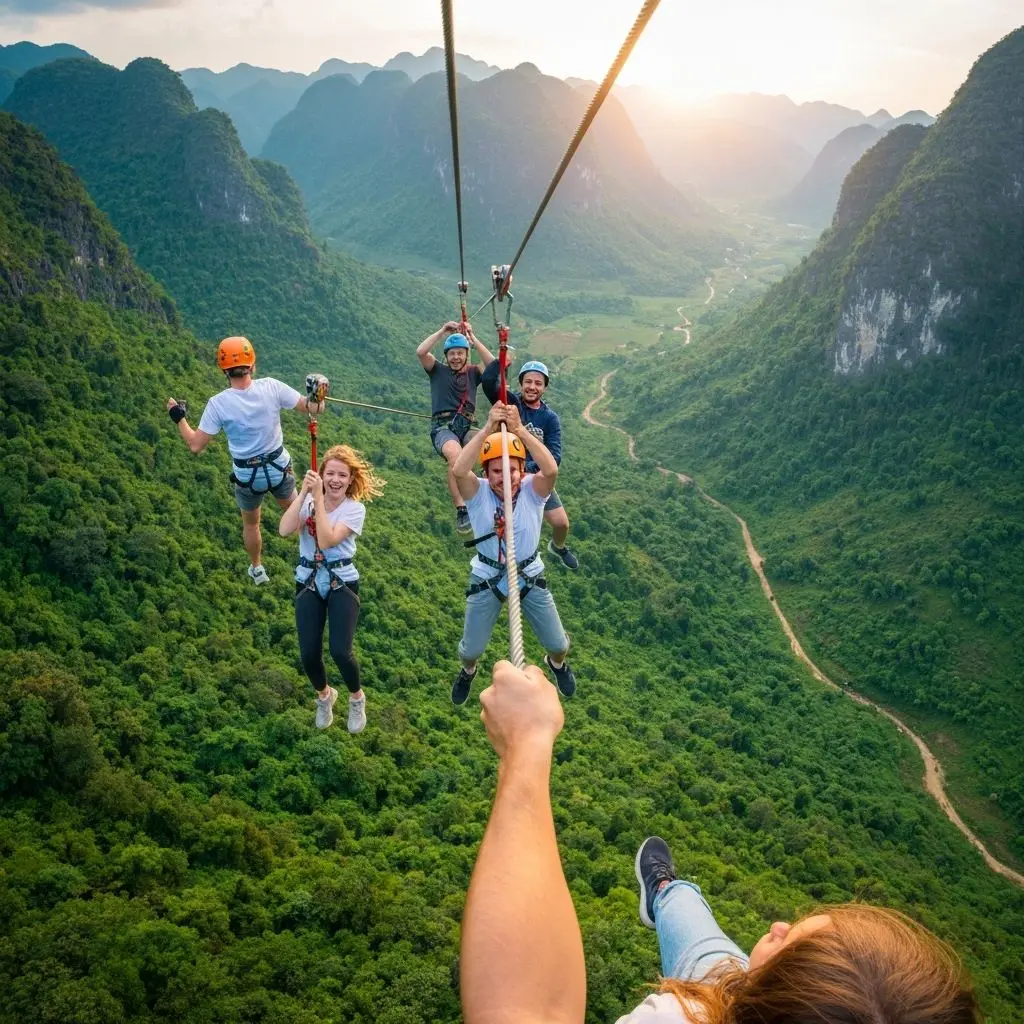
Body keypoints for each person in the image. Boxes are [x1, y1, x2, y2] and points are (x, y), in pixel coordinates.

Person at [459, 661, 982, 1024]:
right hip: (738, 985)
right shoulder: (767, 1001)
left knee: (708, 954)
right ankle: (663, 891)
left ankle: (666, 895)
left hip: (722, 988)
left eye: (787, 946)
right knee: (692, 916)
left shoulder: (680, 1016)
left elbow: (527, 1012)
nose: (778, 925)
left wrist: (527, 744)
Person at [166, 336, 324, 585]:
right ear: (252, 366)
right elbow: (313, 409)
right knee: (300, 515)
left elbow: (195, 445)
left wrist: (178, 418)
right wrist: (318, 392)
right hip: (278, 468)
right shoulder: (271, 386)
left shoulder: (218, 404)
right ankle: (315, 556)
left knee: (251, 525)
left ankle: (257, 567)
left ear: (224, 370)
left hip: (247, 477)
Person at [449, 402, 576, 705]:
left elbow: (551, 468)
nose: (504, 477)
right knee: (469, 651)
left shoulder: (534, 489)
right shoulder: (477, 493)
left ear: (522, 469)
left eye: (512, 469)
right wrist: (487, 429)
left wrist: (519, 431)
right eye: (496, 470)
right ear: (486, 472)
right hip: (489, 573)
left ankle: (556, 664)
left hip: (528, 572)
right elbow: (458, 469)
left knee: (558, 644)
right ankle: (468, 671)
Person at [278, 444, 384, 732]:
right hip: (309, 577)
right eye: (330, 474)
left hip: (341, 580)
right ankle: (325, 695)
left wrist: (318, 501)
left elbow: (326, 540)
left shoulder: (354, 510)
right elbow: (284, 529)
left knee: (340, 650)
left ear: (351, 479)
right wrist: (303, 494)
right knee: (309, 654)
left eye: (342, 475)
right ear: (321, 475)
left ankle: (356, 697)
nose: (335, 480)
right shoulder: (309, 501)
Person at [482, 356, 578, 570]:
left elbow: (555, 457)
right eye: (528, 382)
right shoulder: (511, 405)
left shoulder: (549, 418)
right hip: (506, 474)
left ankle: (558, 547)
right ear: (521, 383)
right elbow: (489, 381)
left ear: (544, 388)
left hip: (534, 477)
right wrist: (502, 360)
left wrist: (531, 469)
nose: (532, 387)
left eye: (538, 383)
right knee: (509, 524)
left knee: (562, 523)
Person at [417, 320, 495, 533]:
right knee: (456, 457)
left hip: (468, 425)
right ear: (446, 356)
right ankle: (462, 509)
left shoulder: (472, 373)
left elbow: (494, 364)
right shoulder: (437, 370)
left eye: (460, 353)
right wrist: (442, 331)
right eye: (451, 353)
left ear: (466, 354)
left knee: (491, 449)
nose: (456, 357)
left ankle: (490, 494)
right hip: (443, 427)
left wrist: (473, 339)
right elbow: (421, 352)